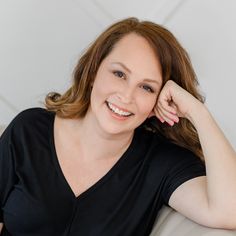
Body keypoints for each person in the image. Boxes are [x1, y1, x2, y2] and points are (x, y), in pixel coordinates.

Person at [0, 17, 236, 235]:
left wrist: (197, 112)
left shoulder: (160, 163)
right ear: (93, 71)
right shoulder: (29, 130)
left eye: (147, 88)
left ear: (160, 100)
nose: (126, 95)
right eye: (119, 74)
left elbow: (229, 211)